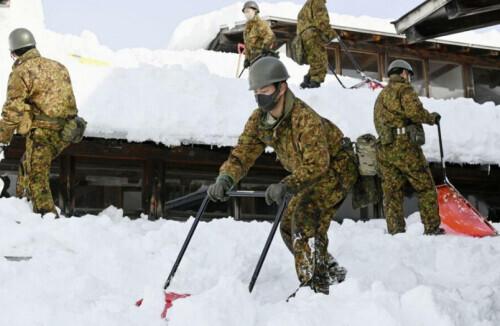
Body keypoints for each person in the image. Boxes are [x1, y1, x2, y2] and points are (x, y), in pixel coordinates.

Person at [207, 57, 358, 294]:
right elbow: (242, 154)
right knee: (287, 225)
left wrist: (286, 185)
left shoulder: (303, 119)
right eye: (256, 92)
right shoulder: (259, 121)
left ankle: (314, 289)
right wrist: (226, 178)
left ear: (281, 88)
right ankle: (330, 270)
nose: (260, 96)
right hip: (306, 173)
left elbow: (319, 164)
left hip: (336, 169)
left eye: (265, 90)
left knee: (305, 218)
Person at [0, 28, 78, 216]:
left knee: (37, 180)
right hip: (67, 132)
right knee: (26, 164)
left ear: (13, 53)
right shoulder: (59, 66)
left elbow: (13, 111)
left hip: (43, 132)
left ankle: (47, 219)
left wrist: (2, 138)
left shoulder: (21, 71)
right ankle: (23, 210)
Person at [374, 59, 444, 235]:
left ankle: (395, 231)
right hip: (404, 147)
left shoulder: (381, 96)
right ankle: (431, 227)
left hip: (384, 148)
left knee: (392, 192)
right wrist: (431, 118)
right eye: (409, 75)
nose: (409, 79)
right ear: (403, 73)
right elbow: (415, 112)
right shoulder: (404, 89)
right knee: (425, 186)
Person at [297, 0, 337, 88]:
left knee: (314, 60)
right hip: (313, 35)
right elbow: (322, 21)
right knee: (320, 60)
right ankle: (314, 84)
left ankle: (307, 80)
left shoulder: (308, 4)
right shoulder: (318, 2)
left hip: (304, 36)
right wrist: (331, 34)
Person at [242, 1, 276, 68]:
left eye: (248, 11)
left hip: (262, 59)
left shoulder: (261, 24)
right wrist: (247, 59)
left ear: (255, 11)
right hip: (253, 61)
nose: (246, 14)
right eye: (245, 12)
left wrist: (265, 47)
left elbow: (270, 36)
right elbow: (247, 45)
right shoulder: (247, 28)